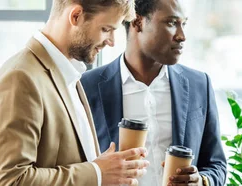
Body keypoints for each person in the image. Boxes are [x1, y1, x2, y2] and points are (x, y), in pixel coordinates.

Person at [0, 0, 151, 185]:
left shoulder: (70, 74)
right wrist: (98, 173)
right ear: (76, 16)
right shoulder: (20, 78)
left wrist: (109, 170)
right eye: (106, 29)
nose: (111, 42)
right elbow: (12, 180)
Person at [80, 0, 226, 185]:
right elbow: (75, 165)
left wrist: (202, 181)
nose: (182, 36)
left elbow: (217, 165)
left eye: (184, 24)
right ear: (137, 22)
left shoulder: (199, 84)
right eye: (172, 23)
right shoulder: (86, 87)